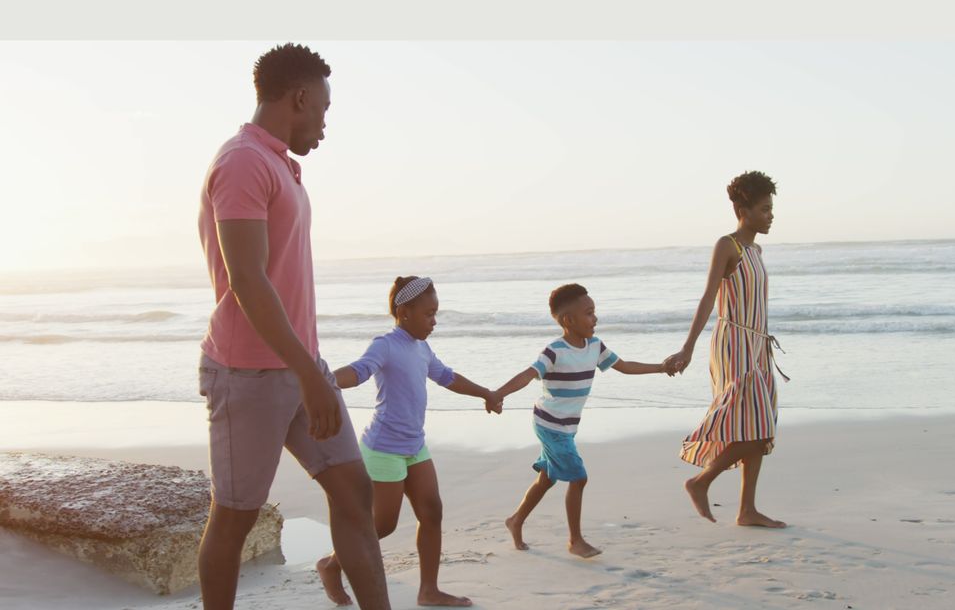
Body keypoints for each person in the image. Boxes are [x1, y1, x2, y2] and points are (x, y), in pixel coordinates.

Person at [196, 43, 390, 610]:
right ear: (299, 98)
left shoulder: (278, 164)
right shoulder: (241, 162)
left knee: (353, 492)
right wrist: (308, 374)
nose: (325, 125)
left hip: (302, 366)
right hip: (248, 375)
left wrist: (309, 369)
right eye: (323, 110)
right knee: (234, 518)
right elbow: (248, 281)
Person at [316, 275, 501, 608]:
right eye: (429, 314)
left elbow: (448, 377)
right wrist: (322, 383)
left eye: (436, 313)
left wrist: (485, 393)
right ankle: (331, 565)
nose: (434, 321)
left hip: (415, 446)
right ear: (404, 311)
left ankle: (428, 590)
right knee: (382, 525)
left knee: (432, 512)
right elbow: (360, 370)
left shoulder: (423, 348)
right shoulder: (385, 344)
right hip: (384, 448)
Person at [495, 283, 673, 558]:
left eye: (594, 312)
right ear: (568, 320)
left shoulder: (595, 346)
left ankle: (516, 520)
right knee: (578, 478)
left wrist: (661, 368)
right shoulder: (554, 351)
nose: (595, 318)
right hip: (549, 424)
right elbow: (528, 374)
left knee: (547, 479)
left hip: (567, 426)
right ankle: (575, 540)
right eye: (589, 313)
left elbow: (624, 367)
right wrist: (498, 394)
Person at [665, 170, 786, 528]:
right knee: (758, 427)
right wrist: (687, 348)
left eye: (771, 208)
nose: (770, 215)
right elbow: (707, 298)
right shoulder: (728, 245)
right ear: (741, 209)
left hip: (757, 344)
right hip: (733, 345)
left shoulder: (756, 250)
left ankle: (747, 510)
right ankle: (700, 482)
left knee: (759, 425)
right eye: (764, 209)